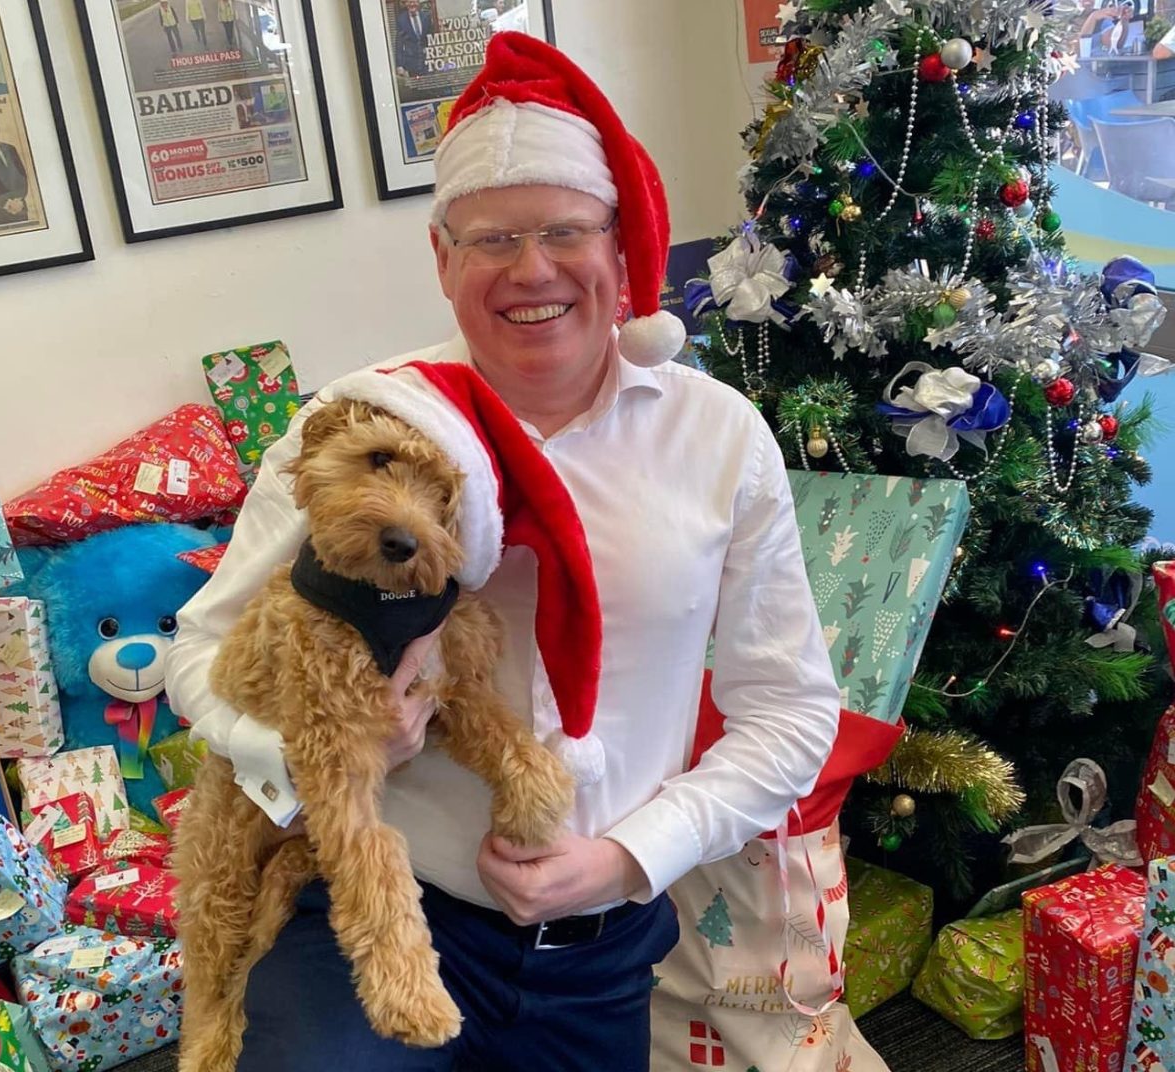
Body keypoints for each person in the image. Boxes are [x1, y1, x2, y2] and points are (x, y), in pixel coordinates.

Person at [166, 30, 840, 1072]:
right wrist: (320, 754)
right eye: (490, 240)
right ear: (442, 259)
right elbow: (196, 657)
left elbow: (791, 709)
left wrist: (626, 856)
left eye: (565, 231)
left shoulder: (718, 439)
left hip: (601, 943)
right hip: (374, 902)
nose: (531, 271)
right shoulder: (358, 424)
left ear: (619, 249)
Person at [395, 0, 433, 78]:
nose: (412, 4)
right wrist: (399, 65)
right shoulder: (401, 20)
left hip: (428, 60)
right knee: (416, 88)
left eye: (414, 1)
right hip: (412, 63)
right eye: (409, 2)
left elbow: (432, 37)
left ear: (418, 3)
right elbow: (399, 42)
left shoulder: (426, 17)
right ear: (406, 4)